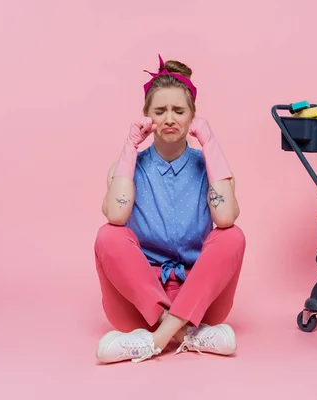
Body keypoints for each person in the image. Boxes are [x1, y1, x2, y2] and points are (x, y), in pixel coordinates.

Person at [93, 55, 246, 364]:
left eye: (179, 110)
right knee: (108, 235)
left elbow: (226, 217)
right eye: (160, 111)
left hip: (200, 301)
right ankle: (186, 336)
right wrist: (130, 146)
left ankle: (154, 341)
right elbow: (117, 215)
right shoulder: (126, 167)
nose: (169, 119)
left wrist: (210, 142)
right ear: (147, 117)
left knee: (233, 236)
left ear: (192, 117)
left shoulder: (210, 167)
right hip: (138, 303)